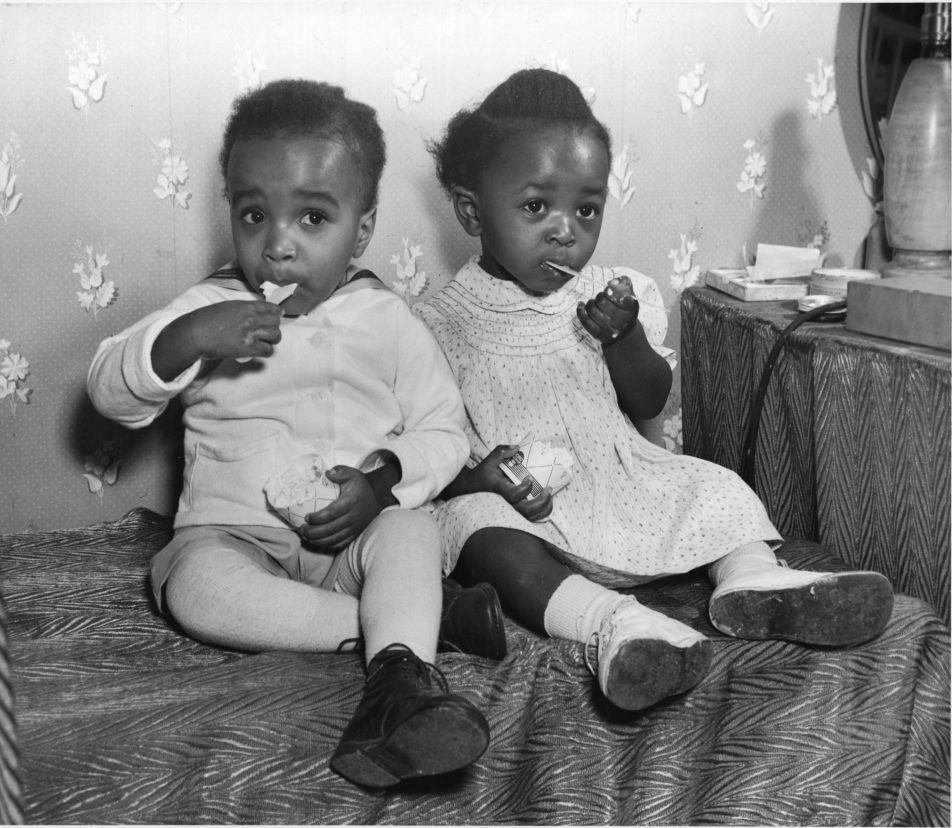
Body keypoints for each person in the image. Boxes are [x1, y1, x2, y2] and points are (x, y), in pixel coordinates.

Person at [415, 68, 895, 712]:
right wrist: (480, 482)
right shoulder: (438, 325)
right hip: (529, 511)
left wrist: (623, 339)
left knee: (713, 483)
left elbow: (649, 403)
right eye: (536, 207)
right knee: (473, 529)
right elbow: (433, 454)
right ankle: (617, 625)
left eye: (585, 209)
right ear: (472, 211)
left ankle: (752, 583)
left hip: (622, 481)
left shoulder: (614, 295)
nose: (565, 230)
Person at [87, 78, 506, 788]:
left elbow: (447, 432)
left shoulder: (388, 321)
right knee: (194, 589)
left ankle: (401, 677)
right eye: (254, 215)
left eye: (313, 219)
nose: (277, 248)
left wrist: (380, 484)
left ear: (361, 230)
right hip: (230, 537)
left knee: (413, 533)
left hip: (346, 548)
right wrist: (187, 337)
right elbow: (109, 389)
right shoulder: (210, 307)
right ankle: (406, 637)